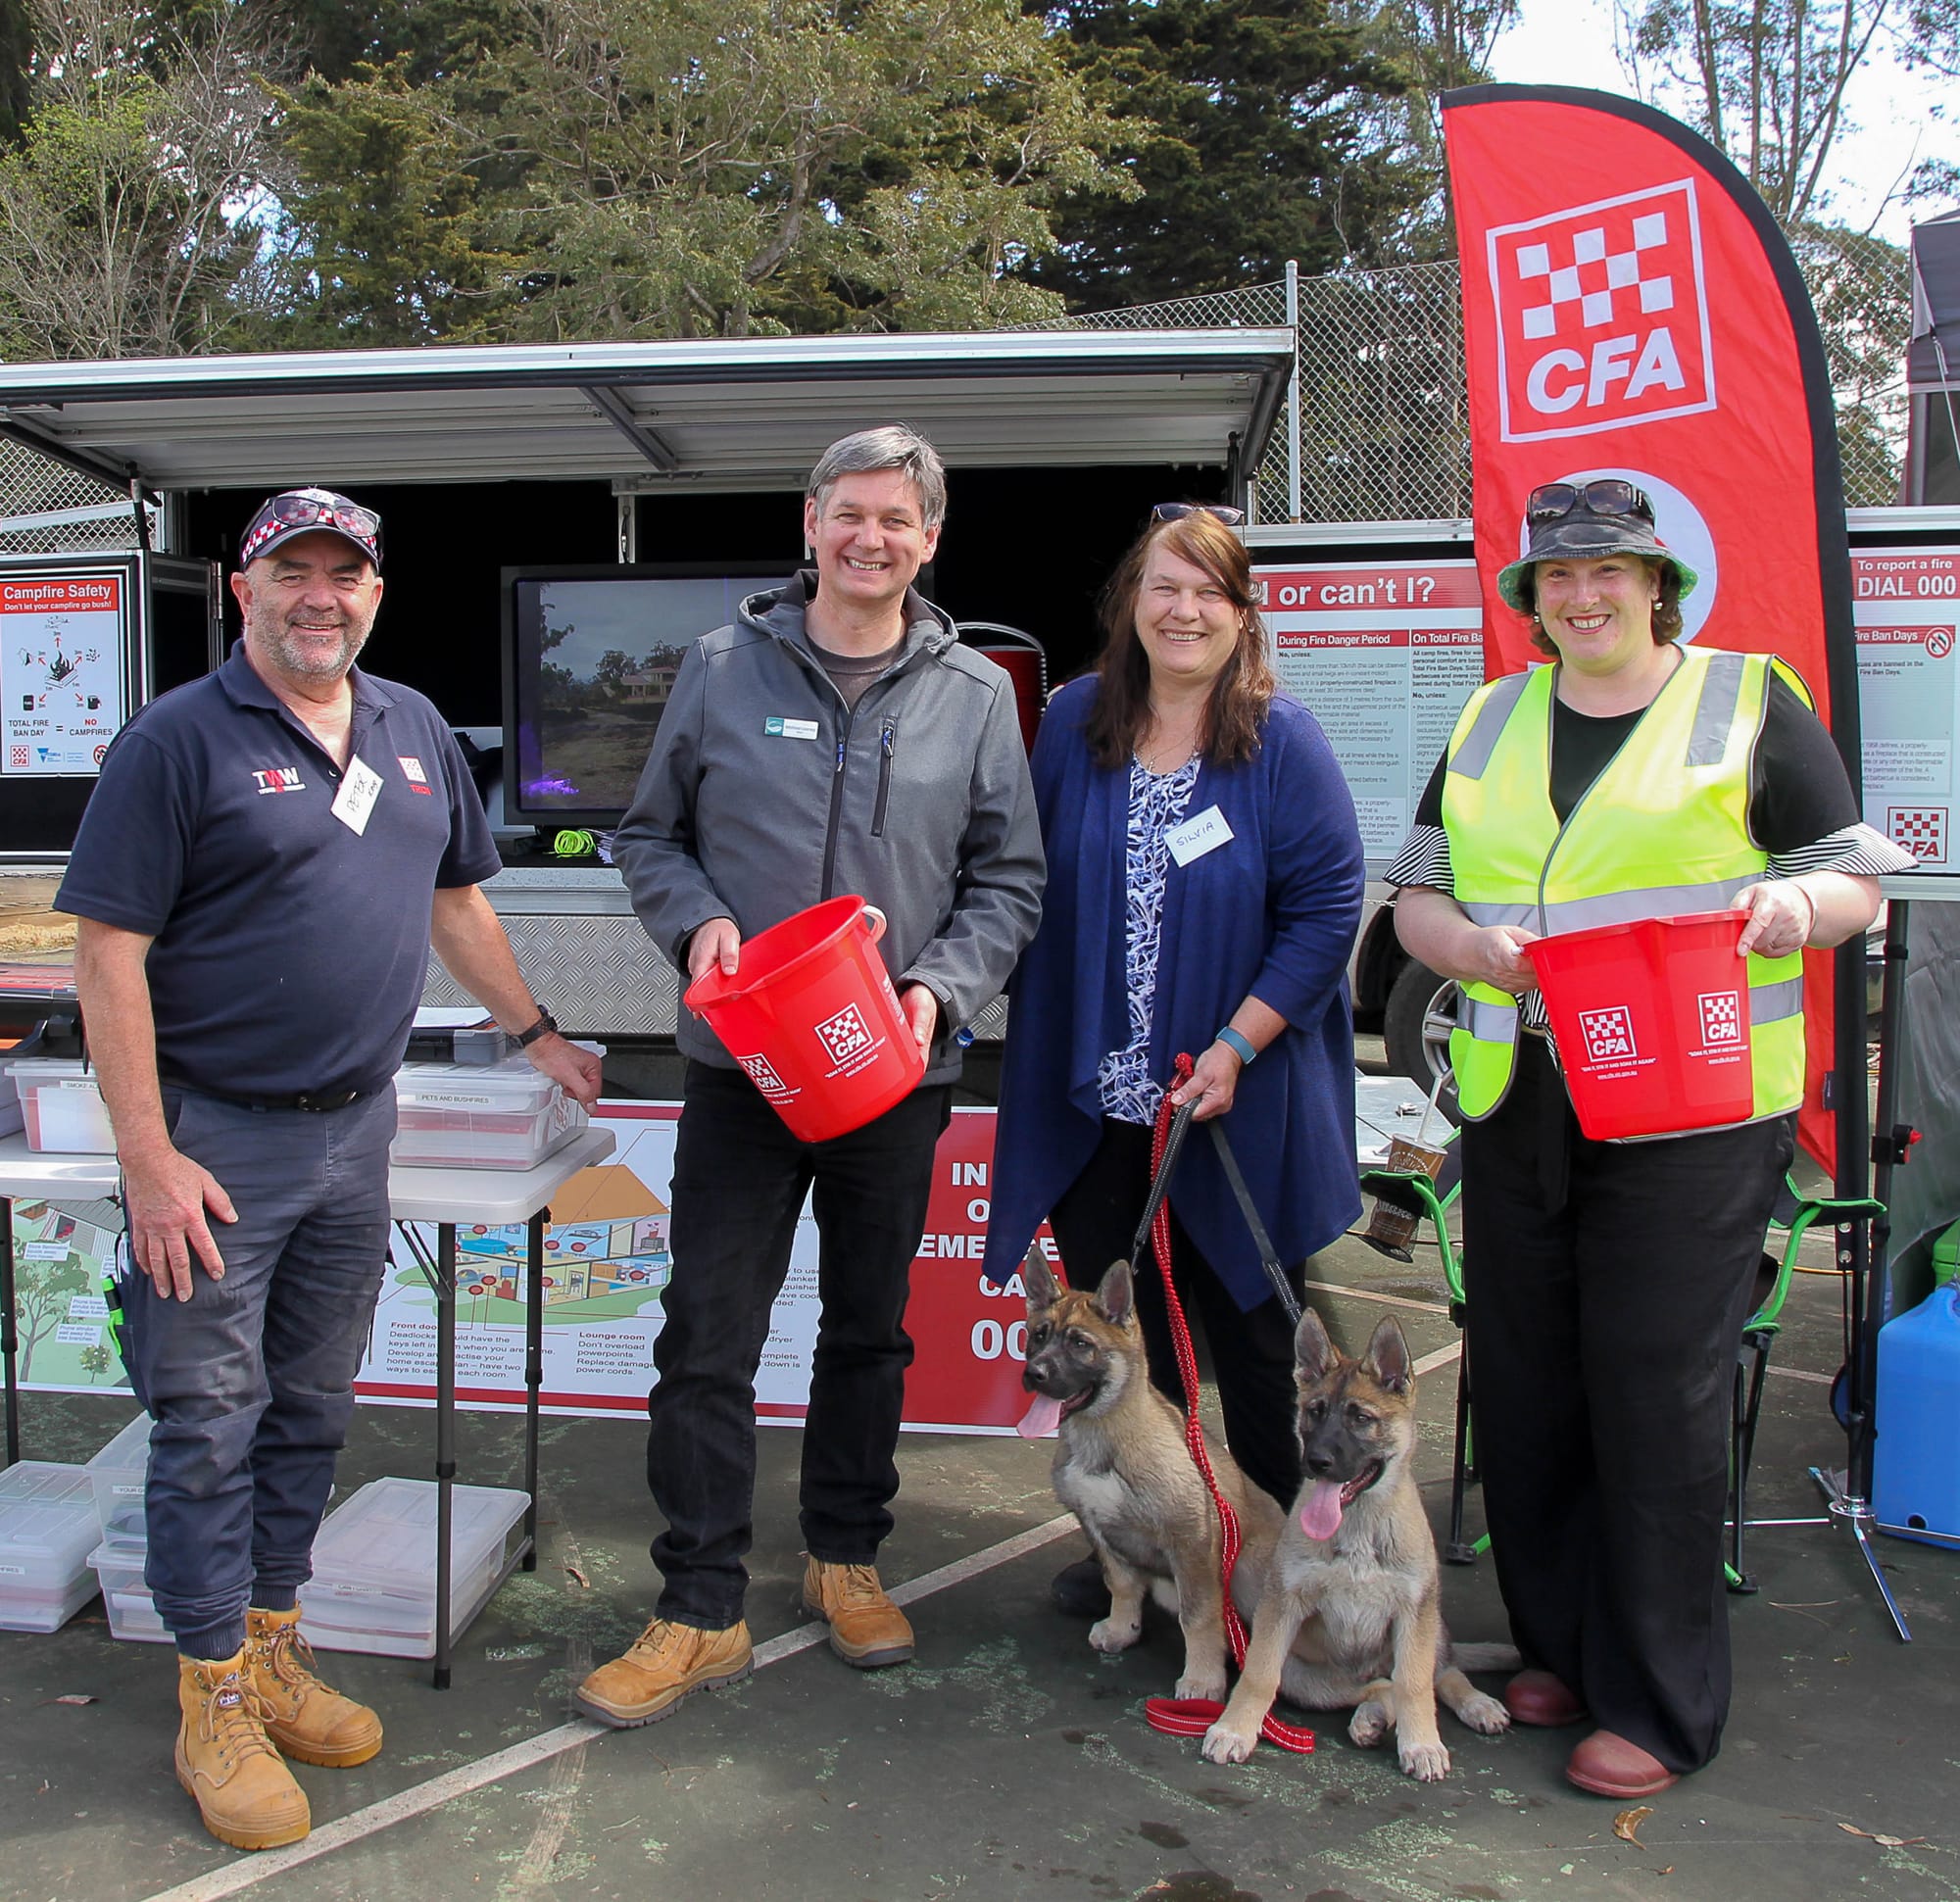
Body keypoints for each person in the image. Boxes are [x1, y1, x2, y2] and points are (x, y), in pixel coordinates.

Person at [58, 488, 602, 1854]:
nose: (319, 594)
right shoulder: (176, 741)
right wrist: (150, 1159)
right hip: (215, 1143)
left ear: (375, 593)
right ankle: (210, 1695)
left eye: (342, 574)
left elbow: (455, 900)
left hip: (359, 1128)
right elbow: (107, 953)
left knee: (307, 1405)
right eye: (289, 570)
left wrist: (533, 1030)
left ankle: (274, 1638)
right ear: (242, 589)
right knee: (207, 1421)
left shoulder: (411, 727)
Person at [1386, 479, 1914, 1800]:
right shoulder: (1491, 716)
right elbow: (1415, 897)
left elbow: (1859, 873)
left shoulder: (1746, 703)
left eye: (1609, 573)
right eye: (1558, 578)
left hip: (1692, 1114)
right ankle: (1560, 1644)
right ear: (1532, 598)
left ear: (1656, 583)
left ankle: (1662, 1701)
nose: (1582, 596)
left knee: (1652, 1392)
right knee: (1527, 1384)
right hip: (1524, 1103)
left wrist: (1797, 908)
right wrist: (1465, 945)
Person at [579, 425, 1044, 1728]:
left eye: (897, 520)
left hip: (894, 1072)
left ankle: (846, 1556)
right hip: (744, 1069)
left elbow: (1011, 878)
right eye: (850, 514)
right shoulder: (725, 666)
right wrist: (695, 925)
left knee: (868, 1329)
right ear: (811, 520)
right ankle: (697, 1606)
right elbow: (648, 835)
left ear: (929, 539)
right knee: (707, 1336)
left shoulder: (972, 696)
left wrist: (938, 988)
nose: (871, 538)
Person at [981, 503, 1366, 1600]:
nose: (1183, 609)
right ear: (1128, 605)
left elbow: (1327, 909)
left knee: (1254, 1353)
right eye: (1163, 586)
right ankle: (1139, 1558)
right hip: (1096, 1119)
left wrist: (1238, 1042)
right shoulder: (1070, 722)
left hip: (1229, 1112)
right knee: (1112, 1364)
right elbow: (1015, 870)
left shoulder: (1278, 739)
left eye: (1208, 590)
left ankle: (1290, 1578)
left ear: (1242, 613)